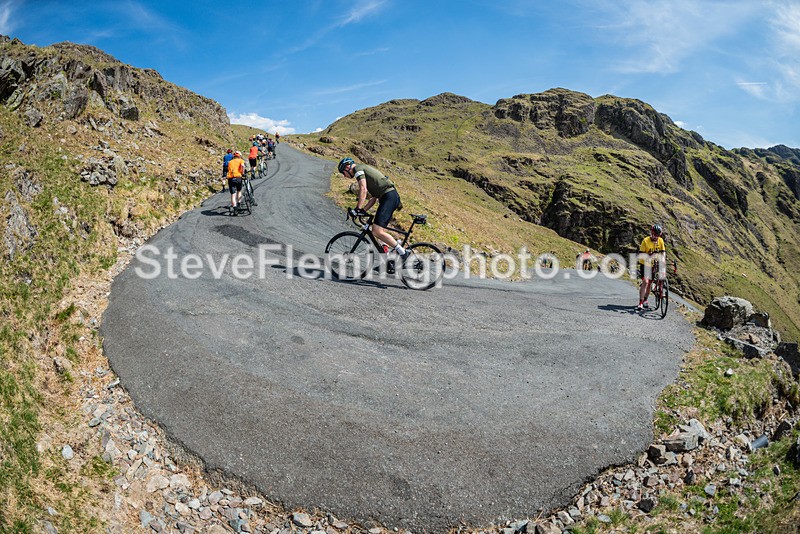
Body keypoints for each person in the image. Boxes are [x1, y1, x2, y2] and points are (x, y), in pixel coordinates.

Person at [338, 157, 407, 261]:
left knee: (376, 231)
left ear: (347, 167)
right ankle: (388, 256)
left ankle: (403, 253)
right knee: (380, 231)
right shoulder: (366, 173)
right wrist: (362, 211)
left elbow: (363, 189)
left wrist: (357, 208)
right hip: (389, 197)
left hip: (388, 197)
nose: (344, 176)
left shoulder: (358, 169)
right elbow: (373, 199)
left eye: (343, 173)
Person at [636, 224, 666, 310]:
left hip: (653, 264)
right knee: (645, 282)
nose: (656, 237)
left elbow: (663, 252)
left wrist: (663, 260)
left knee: (649, 283)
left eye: (658, 235)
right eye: (655, 235)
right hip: (645, 263)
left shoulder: (660, 241)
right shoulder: (645, 241)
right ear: (651, 233)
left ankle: (645, 300)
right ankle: (640, 302)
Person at [227, 151, 246, 215]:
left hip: (231, 178)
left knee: (233, 194)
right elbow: (242, 166)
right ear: (239, 156)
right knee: (239, 191)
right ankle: (239, 204)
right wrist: (242, 173)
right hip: (238, 177)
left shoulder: (230, 162)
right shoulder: (241, 160)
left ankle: (235, 209)